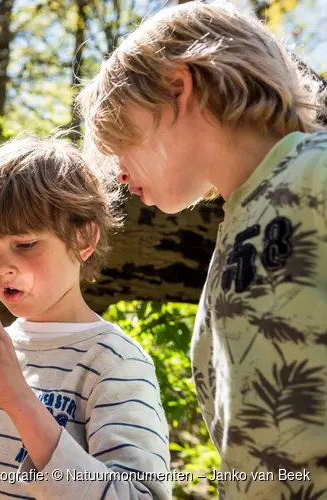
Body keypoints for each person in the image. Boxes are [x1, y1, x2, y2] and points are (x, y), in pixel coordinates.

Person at [77, 1, 327, 498]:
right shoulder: (237, 223)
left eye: (119, 136)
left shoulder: (316, 170)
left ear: (178, 87)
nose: (119, 174)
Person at [0, 136, 172, 499]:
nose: (4, 267)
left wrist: (20, 402)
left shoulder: (114, 362)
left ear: (82, 239)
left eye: (25, 244)